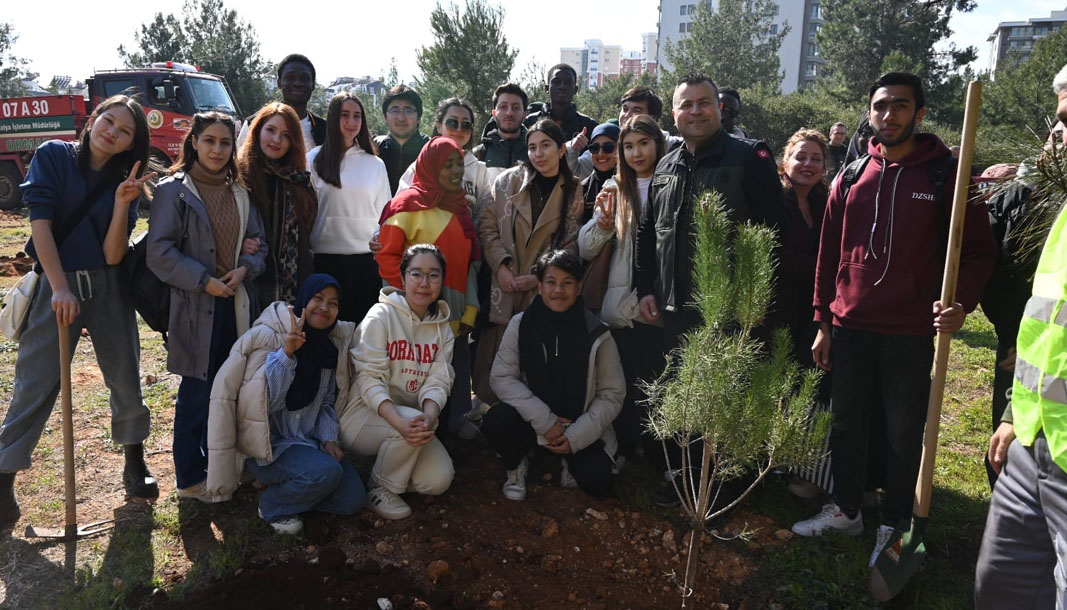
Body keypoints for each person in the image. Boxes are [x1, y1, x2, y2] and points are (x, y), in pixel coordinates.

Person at [792, 72, 996, 568]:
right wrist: (823, 321)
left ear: (919, 114)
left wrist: (961, 303)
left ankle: (896, 523)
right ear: (870, 112)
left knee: (904, 432)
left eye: (900, 106)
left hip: (909, 330)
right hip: (850, 325)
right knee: (846, 423)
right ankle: (846, 508)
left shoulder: (945, 174)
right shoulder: (852, 174)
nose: (889, 115)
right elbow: (829, 255)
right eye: (880, 106)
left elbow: (978, 252)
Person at [0, 96, 157, 529]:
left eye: (125, 131)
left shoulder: (125, 180)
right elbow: (41, 225)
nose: (113, 132)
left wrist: (124, 203)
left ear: (130, 145)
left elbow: (111, 257)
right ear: (93, 119)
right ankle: (3, 477)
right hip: (57, 281)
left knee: (125, 372)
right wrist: (61, 287)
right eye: (110, 121)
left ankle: (134, 461)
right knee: (35, 380)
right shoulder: (54, 155)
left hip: (107, 287)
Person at [633, 73, 785, 507]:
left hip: (732, 310)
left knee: (727, 397)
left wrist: (754, 301)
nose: (695, 111)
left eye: (704, 103)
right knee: (687, 394)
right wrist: (646, 287)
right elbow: (648, 233)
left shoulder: (748, 158)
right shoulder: (667, 163)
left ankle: (726, 487)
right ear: (674, 113)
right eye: (686, 105)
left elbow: (774, 233)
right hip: (676, 307)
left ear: (719, 108)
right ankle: (689, 480)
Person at [974, 62, 1067, 609]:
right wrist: (1013, 413)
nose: (1060, 136)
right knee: (1000, 588)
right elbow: (1044, 326)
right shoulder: (1061, 221)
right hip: (1034, 440)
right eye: (1060, 120)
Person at [148, 112, 268, 502]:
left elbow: (259, 246)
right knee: (196, 394)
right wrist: (204, 280)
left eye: (225, 143)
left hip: (235, 306)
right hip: (194, 309)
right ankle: (189, 478)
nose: (217, 150)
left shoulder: (240, 193)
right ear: (194, 142)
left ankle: (224, 468)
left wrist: (245, 268)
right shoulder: (173, 191)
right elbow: (160, 253)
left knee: (230, 389)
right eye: (210, 141)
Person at [206, 274, 365, 535]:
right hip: (273, 447)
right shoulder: (272, 337)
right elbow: (264, 404)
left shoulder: (328, 349)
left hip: (309, 443)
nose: (324, 308)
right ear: (303, 300)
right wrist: (288, 354)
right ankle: (273, 505)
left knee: (352, 500)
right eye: (317, 298)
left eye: (333, 303)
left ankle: (301, 489)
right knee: (326, 473)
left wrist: (329, 440)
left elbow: (325, 402)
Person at [482, 249, 624, 500]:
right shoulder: (521, 324)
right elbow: (501, 377)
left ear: (579, 287)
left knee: (598, 481)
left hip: (578, 425)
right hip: (533, 421)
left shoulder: (598, 333)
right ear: (539, 286)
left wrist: (575, 436)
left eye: (567, 283)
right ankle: (516, 464)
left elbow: (612, 394)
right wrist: (544, 420)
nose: (558, 290)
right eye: (551, 282)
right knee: (497, 421)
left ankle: (567, 460)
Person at [338, 244, 455, 520]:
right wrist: (402, 423)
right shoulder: (381, 316)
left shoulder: (443, 328)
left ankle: (386, 468)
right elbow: (369, 379)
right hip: (361, 418)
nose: (424, 283)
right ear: (402, 278)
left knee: (439, 480)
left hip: (409, 424)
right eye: (416, 274)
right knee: (410, 423)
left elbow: (439, 379)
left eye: (433, 275)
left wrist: (429, 416)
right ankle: (379, 488)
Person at [473, 119, 583, 405]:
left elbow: (570, 242)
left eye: (546, 145)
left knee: (534, 363)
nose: (538, 154)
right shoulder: (506, 182)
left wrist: (538, 277)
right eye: (532, 147)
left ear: (561, 150)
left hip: (543, 289)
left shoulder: (573, 190)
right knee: (494, 365)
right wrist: (501, 266)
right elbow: (486, 228)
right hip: (504, 286)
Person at [377, 137, 481, 435]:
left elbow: (470, 266)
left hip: (456, 317)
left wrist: (469, 313)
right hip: (416, 320)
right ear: (429, 165)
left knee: (453, 372)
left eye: (459, 163)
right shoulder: (404, 205)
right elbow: (388, 261)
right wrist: (414, 311)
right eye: (446, 164)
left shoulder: (462, 209)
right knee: (417, 377)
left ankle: (455, 425)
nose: (455, 171)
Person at [578, 115, 666, 461]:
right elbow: (585, 248)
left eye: (644, 143)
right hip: (619, 306)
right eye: (628, 146)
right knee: (624, 384)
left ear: (658, 144)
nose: (636, 153)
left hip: (657, 304)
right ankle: (627, 452)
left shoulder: (671, 185)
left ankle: (658, 456)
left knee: (657, 383)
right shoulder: (613, 189)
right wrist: (600, 225)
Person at [775, 129, 834, 496]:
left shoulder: (828, 202)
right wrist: (820, 265)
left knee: (807, 386)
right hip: (776, 308)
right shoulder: (774, 200)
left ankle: (801, 467)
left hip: (813, 312)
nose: (808, 164)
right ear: (786, 162)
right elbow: (773, 253)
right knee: (775, 384)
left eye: (815, 159)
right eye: (801, 157)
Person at [308, 93, 391, 324]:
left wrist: (379, 237)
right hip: (324, 261)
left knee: (362, 331)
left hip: (365, 263)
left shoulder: (375, 163)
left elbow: (385, 213)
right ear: (333, 118)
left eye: (357, 116)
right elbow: (305, 213)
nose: (351, 122)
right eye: (345, 115)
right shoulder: (313, 159)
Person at [238, 102, 318, 305]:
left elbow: (307, 235)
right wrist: (239, 243)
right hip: (248, 279)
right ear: (257, 131)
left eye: (286, 135)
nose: (276, 140)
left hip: (293, 285)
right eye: (270, 130)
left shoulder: (300, 181)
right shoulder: (239, 177)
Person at [397, 98, 493, 219]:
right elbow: (400, 207)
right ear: (438, 126)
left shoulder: (480, 170)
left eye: (465, 125)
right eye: (452, 123)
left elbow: (485, 217)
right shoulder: (421, 166)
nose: (459, 129)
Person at [237, 54, 325, 153]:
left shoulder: (325, 129)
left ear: (313, 85)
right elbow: (240, 163)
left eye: (304, 78)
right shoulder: (255, 123)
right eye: (290, 77)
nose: (298, 83)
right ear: (279, 83)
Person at [522, 64, 598, 173]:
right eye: (557, 82)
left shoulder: (588, 126)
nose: (562, 86)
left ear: (576, 89)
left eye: (568, 82)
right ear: (546, 88)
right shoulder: (529, 122)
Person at [375, 85, 430, 195]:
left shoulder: (430, 150)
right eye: (394, 110)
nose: (401, 117)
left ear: (419, 117)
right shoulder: (374, 148)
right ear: (385, 117)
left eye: (408, 110)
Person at [473, 83, 530, 184]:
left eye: (516, 107)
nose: (509, 113)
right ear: (494, 114)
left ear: (525, 115)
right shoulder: (478, 154)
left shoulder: (534, 152)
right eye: (503, 107)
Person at [618, 85, 683, 152]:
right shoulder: (610, 148)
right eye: (625, 109)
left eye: (636, 111)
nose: (627, 115)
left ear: (653, 118)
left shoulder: (675, 147)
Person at [580, 123, 620, 223]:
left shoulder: (632, 184)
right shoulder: (582, 189)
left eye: (608, 147)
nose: (600, 154)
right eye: (595, 148)